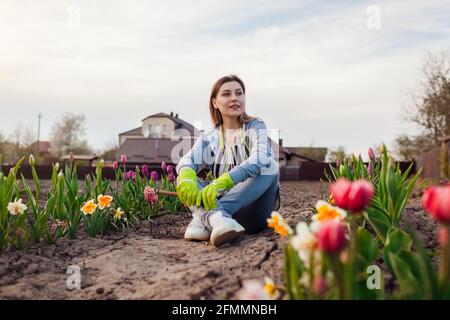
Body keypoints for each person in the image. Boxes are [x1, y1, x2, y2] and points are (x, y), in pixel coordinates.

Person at [175, 75, 280, 247]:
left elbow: (260, 157)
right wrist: (186, 173)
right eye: (226, 94)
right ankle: (218, 220)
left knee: (270, 166)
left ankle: (203, 220)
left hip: (255, 213)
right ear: (215, 103)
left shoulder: (255, 126)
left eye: (239, 93)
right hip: (226, 220)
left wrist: (226, 180)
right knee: (184, 178)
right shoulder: (209, 136)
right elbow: (187, 160)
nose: (234, 98)